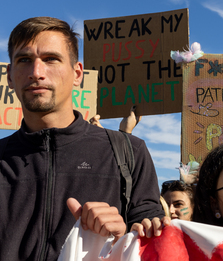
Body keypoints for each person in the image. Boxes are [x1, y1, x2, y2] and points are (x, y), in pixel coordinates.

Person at [0, 17, 165, 261]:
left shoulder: (130, 151)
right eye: (24, 60)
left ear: (77, 74)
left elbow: (153, 244)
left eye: (51, 59)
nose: (36, 73)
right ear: (10, 76)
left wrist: (122, 236)